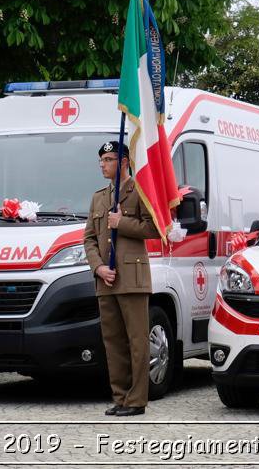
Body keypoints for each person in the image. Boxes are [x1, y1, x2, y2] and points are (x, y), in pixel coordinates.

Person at [83, 141, 159, 416]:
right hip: (106, 278)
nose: (103, 164)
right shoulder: (99, 197)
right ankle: (120, 397)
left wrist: (121, 223)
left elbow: (154, 228)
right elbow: (89, 238)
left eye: (108, 159)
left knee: (137, 341)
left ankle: (137, 400)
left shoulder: (140, 191)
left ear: (124, 161)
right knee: (113, 341)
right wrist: (99, 267)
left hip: (133, 276)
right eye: (101, 160)